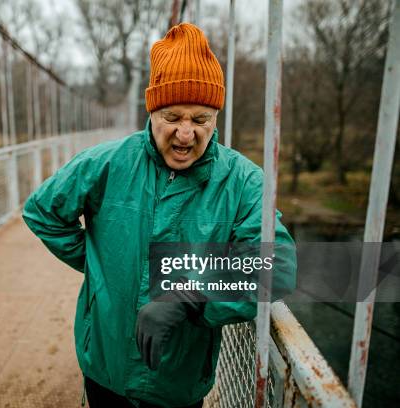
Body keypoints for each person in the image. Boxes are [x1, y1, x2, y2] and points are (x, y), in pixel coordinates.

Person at [23, 23, 296, 408]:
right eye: (172, 117)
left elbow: (277, 268)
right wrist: (102, 264)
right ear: (151, 111)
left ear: (216, 117)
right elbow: (41, 210)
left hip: (178, 381)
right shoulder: (108, 163)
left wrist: (189, 297)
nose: (186, 134)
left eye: (200, 120)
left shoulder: (244, 181)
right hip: (106, 366)